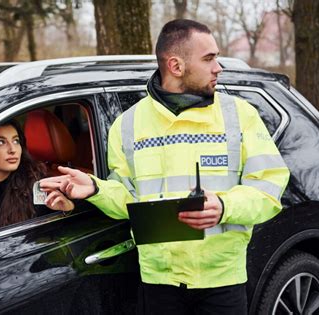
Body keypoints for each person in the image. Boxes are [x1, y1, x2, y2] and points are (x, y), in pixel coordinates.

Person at [40, 19, 290, 314]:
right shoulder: (128, 125)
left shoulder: (240, 116)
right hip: (158, 283)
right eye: (209, 58)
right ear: (175, 65)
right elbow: (129, 200)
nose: (218, 67)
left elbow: (269, 188)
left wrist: (224, 206)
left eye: (217, 57)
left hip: (222, 280)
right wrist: (96, 189)